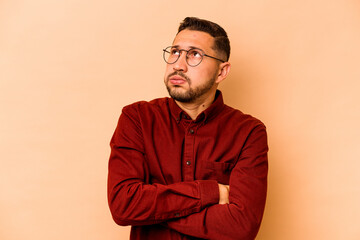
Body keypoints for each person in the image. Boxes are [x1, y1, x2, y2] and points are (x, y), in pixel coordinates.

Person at [107, 17, 268, 240]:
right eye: (175, 52)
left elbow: (241, 227)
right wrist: (211, 192)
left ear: (222, 72)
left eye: (194, 55)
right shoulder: (137, 119)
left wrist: (152, 208)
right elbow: (123, 205)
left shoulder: (248, 132)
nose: (178, 65)